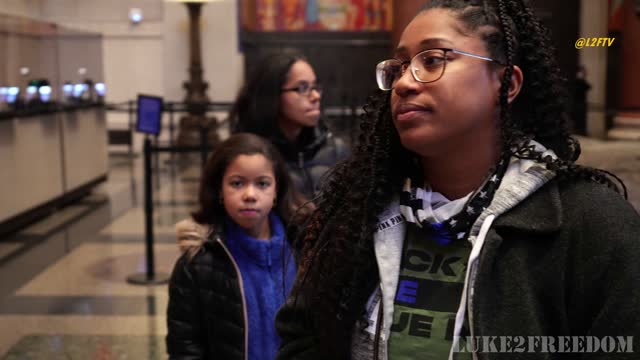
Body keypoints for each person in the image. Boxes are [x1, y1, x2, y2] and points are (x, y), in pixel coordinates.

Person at [275, 1, 640, 359]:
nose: (403, 82)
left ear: (507, 83)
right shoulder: (358, 209)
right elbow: (302, 337)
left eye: (432, 59)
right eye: (399, 66)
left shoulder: (591, 224)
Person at [166, 133, 310, 360]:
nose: (250, 195)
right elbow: (186, 347)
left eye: (262, 184)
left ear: (276, 191)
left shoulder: (304, 249)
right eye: (237, 183)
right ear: (220, 190)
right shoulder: (198, 264)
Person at [229, 50, 349, 200]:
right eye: (302, 88)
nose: (315, 96)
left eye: (315, 87)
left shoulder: (336, 150)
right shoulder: (247, 155)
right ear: (272, 95)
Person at [571, 65, 591, 135]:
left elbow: (588, 87)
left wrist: (583, 79)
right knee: (576, 118)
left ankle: (582, 131)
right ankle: (576, 130)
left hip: (582, 103)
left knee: (582, 119)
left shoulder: (583, 82)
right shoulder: (576, 82)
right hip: (576, 103)